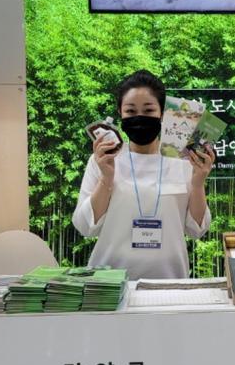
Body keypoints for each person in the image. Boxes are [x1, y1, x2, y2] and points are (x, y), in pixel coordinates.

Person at [72, 70, 214, 279]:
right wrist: (106, 178)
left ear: (162, 113)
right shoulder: (103, 159)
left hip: (169, 282)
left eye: (148, 110)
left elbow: (196, 230)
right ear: (120, 113)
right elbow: (85, 227)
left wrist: (198, 183)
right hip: (110, 283)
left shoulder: (184, 160)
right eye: (130, 111)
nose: (139, 117)